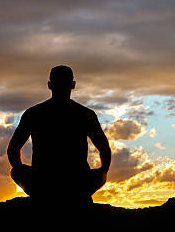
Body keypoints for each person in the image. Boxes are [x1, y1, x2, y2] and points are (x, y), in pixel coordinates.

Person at [7, 65, 111, 204]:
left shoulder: (34, 113)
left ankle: (42, 195)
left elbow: (13, 149)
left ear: (50, 85)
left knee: (16, 172)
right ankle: (76, 196)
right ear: (73, 84)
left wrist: (23, 171)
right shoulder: (85, 114)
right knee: (100, 175)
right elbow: (104, 149)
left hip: (42, 182)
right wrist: (102, 171)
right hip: (77, 183)